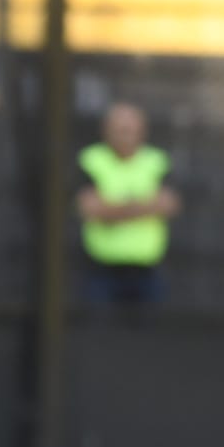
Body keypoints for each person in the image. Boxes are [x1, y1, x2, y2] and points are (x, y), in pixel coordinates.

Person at [76, 102, 181, 306]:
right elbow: (89, 207)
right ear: (106, 131)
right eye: (120, 129)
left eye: (130, 129)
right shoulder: (91, 159)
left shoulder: (157, 161)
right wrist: (145, 207)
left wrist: (113, 210)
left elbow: (169, 204)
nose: (125, 135)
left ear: (143, 131)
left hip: (148, 270)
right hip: (102, 269)